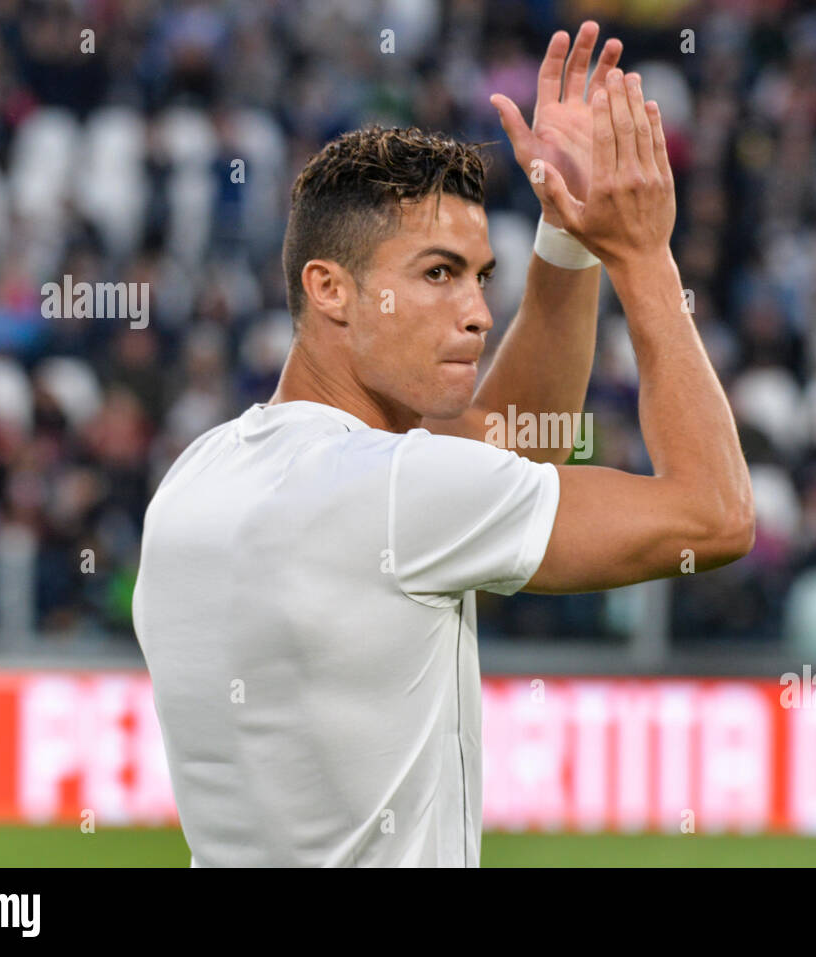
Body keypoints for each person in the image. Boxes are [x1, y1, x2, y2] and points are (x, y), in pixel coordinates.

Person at [133, 23, 754, 867]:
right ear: (330, 290)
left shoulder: (198, 473)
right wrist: (641, 257)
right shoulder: (393, 492)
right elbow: (715, 515)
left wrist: (566, 238)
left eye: (479, 276)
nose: (478, 313)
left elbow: (506, 454)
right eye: (436, 274)